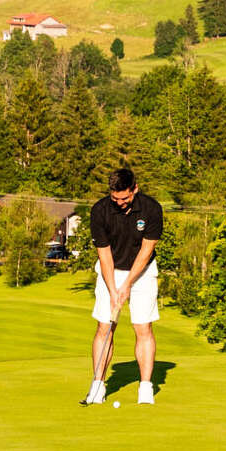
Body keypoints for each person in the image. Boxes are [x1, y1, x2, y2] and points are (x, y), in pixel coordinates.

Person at [83, 167, 162, 405]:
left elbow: (146, 251)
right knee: (105, 326)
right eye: (115, 198)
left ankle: (146, 388)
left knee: (143, 328)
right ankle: (98, 385)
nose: (119, 202)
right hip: (111, 271)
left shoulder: (151, 209)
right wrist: (112, 288)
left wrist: (127, 284)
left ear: (134, 190)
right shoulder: (100, 211)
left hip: (143, 271)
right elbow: (104, 255)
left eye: (124, 198)